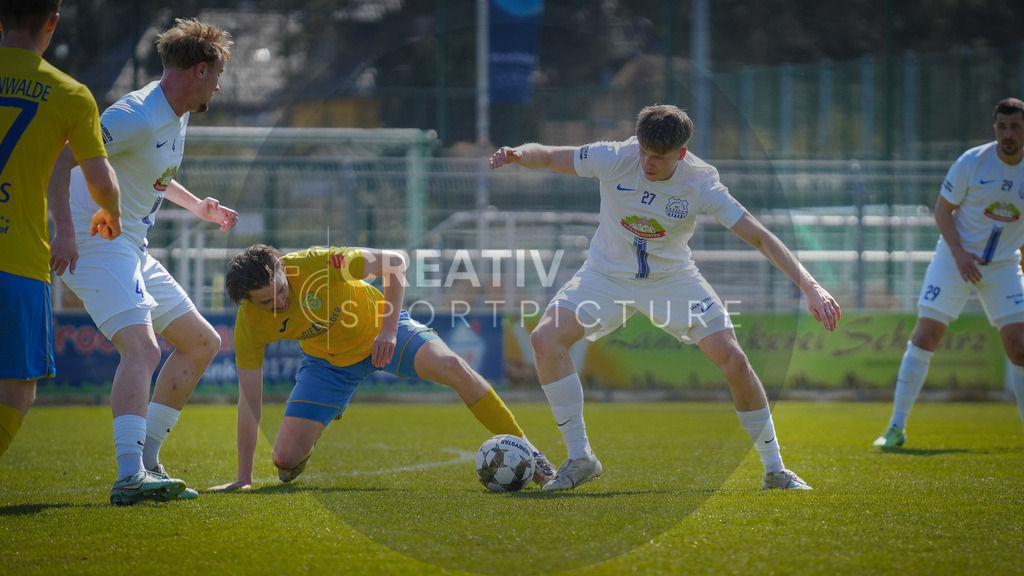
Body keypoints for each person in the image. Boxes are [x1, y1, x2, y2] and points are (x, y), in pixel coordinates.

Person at [489, 104, 842, 491]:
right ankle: (580, 458)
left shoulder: (701, 182)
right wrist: (519, 154)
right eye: (642, 151)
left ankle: (775, 470)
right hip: (604, 275)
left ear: (682, 154)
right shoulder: (615, 156)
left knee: (734, 359)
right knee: (544, 338)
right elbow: (553, 157)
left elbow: (759, 236)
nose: (646, 162)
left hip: (672, 279)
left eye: (658, 157)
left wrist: (811, 287)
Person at [48, 18, 237, 505]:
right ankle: (129, 475)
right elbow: (63, 159)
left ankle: (148, 463)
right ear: (198, 70)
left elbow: (149, 171)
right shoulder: (135, 114)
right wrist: (64, 232)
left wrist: (197, 206)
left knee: (201, 342)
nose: (219, 83)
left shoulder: (179, 110)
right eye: (217, 73)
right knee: (143, 349)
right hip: (96, 240)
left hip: (131, 245)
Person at [209, 244, 556, 490]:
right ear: (248, 303)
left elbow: (395, 262)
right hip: (327, 366)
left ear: (284, 270)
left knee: (453, 366)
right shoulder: (249, 325)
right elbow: (250, 401)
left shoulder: (318, 263)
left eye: (282, 291)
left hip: (382, 332)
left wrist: (389, 331)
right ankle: (312, 431)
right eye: (268, 302)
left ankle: (532, 454)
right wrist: (244, 478)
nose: (280, 302)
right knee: (284, 461)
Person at [0, 0, 121, 459]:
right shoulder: (70, 93)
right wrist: (112, 214)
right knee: (15, 393)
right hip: (18, 262)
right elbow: (102, 181)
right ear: (52, 22)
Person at [873, 97, 1024, 449]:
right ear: (994, 128)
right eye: (1001, 126)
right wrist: (959, 254)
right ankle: (895, 428)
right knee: (926, 336)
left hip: (1003, 266)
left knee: (1020, 347)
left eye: (1014, 126)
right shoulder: (973, 162)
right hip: (954, 258)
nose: (1007, 133)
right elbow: (942, 210)